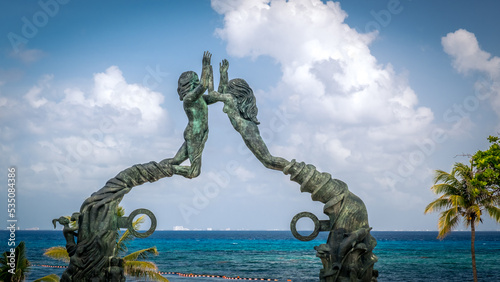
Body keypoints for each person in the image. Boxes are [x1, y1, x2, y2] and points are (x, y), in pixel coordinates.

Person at [207, 59, 289, 171]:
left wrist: (208, 72)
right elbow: (222, 89)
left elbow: (212, 94)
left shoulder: (230, 98)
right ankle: (294, 170)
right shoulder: (231, 98)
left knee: (268, 160)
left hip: (247, 130)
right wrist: (223, 74)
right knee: (267, 162)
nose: (226, 89)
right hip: (247, 128)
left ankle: (296, 169)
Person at [161, 51, 214, 178]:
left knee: (175, 161)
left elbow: (213, 94)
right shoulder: (189, 99)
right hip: (194, 134)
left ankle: (157, 168)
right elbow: (204, 85)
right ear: (189, 84)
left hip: (197, 134)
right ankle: (166, 169)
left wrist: (216, 73)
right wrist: (205, 66)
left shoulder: (200, 99)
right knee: (194, 172)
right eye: (195, 81)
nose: (198, 83)